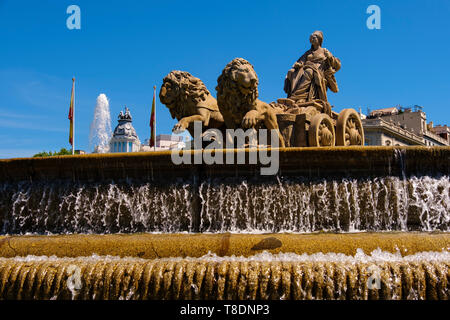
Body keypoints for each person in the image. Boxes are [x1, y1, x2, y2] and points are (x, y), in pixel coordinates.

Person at [283, 31, 341, 108]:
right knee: (291, 72)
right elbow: (301, 61)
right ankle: (294, 96)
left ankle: (299, 97)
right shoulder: (308, 53)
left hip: (319, 72)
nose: (313, 39)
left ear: (319, 39)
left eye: (315, 37)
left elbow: (337, 65)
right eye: (311, 38)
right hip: (306, 68)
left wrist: (330, 57)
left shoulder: (324, 51)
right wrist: (297, 65)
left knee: (309, 71)